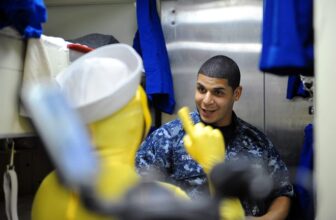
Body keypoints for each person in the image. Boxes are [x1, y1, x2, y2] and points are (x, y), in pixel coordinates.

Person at [136, 55, 294, 219]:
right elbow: (137, 188)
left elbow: (282, 192)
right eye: (201, 89)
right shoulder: (168, 137)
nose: (206, 100)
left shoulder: (257, 142)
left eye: (218, 92)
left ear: (237, 93)